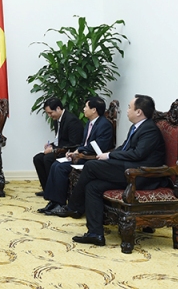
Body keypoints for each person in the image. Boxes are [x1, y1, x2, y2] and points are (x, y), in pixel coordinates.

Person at [55, 94, 166, 247]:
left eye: (129, 107)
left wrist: (109, 155)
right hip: (129, 170)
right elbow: (124, 148)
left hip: (141, 176)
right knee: (92, 187)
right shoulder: (137, 127)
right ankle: (95, 234)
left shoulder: (149, 130)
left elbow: (137, 154)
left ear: (139, 112)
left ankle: (73, 206)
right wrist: (107, 155)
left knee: (91, 166)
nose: (127, 110)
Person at [39, 97, 113, 215]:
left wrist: (78, 152)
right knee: (56, 164)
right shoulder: (90, 123)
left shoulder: (104, 125)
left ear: (94, 110)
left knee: (60, 167)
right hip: (82, 155)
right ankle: (53, 202)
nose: (83, 109)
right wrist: (75, 151)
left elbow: (99, 146)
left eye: (86, 107)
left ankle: (60, 203)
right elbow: (83, 143)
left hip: (91, 159)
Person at [32, 97, 84, 196]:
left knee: (48, 158)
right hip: (60, 149)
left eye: (50, 113)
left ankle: (53, 191)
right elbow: (60, 139)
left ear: (58, 108)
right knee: (37, 158)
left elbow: (74, 143)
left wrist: (54, 149)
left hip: (70, 152)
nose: (49, 115)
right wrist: (51, 145)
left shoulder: (72, 121)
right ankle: (47, 189)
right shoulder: (57, 119)